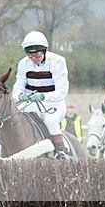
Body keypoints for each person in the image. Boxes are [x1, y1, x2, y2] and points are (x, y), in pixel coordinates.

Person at [11, 30, 71, 158]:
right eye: (30, 56)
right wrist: (19, 95)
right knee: (11, 120)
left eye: (36, 55)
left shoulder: (58, 61)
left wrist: (44, 96)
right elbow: (18, 85)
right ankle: (1, 150)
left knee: (50, 120)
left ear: (44, 50)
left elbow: (62, 90)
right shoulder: (23, 63)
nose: (33, 59)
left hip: (53, 103)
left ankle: (60, 152)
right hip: (30, 104)